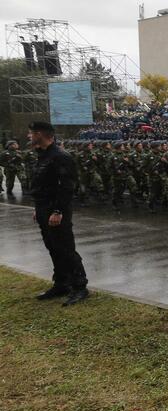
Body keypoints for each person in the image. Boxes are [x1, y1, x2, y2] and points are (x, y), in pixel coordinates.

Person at [27, 121, 89, 306]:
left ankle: (80, 286)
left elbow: (67, 187)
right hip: (43, 208)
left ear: (41, 134)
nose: (29, 136)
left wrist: (58, 211)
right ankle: (62, 283)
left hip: (57, 210)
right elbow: (43, 185)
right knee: (52, 247)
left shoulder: (60, 156)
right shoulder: (42, 155)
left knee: (65, 248)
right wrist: (37, 209)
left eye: (32, 133)